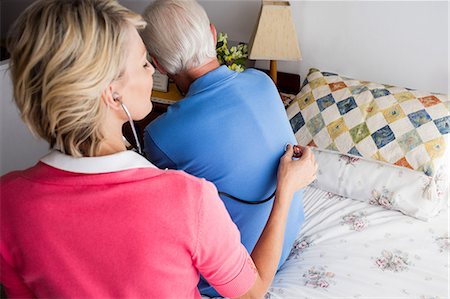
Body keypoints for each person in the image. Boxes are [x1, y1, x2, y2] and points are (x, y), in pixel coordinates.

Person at [0, 0, 317, 298]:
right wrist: (286, 187)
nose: (153, 71)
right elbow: (252, 292)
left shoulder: (7, 200)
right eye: (143, 64)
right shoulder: (188, 199)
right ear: (113, 95)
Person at [141, 1, 312, 296]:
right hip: (285, 237)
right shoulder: (263, 82)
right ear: (212, 33)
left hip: (239, 275)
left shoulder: (160, 134)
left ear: (158, 65)